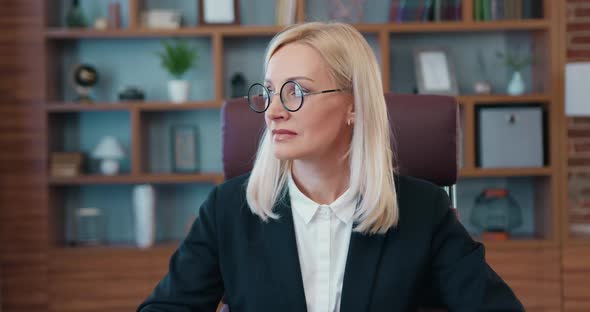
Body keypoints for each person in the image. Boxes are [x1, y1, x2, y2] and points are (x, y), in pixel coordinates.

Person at [138, 22, 524, 312]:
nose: (272, 111)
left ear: (353, 104)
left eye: (296, 92)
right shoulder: (227, 209)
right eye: (269, 92)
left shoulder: (423, 211)